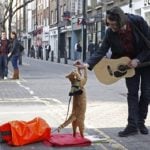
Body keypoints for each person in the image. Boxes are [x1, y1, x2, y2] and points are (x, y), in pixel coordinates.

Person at [74, 6, 150, 137]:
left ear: (122, 21)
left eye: (114, 25)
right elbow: (101, 50)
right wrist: (87, 64)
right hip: (127, 65)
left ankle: (140, 122)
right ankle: (132, 125)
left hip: (145, 61)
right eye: (110, 24)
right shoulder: (110, 32)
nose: (112, 28)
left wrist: (138, 59)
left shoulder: (138, 22)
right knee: (132, 94)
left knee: (146, 93)